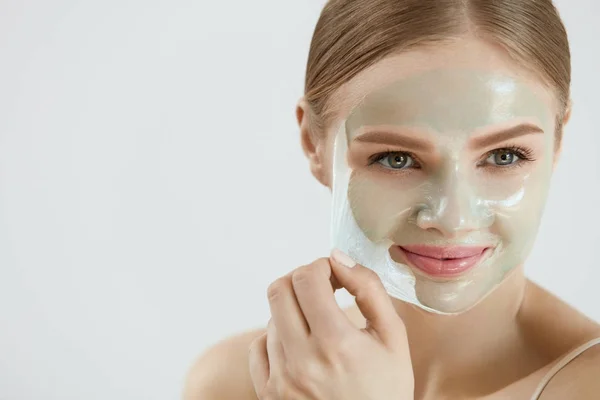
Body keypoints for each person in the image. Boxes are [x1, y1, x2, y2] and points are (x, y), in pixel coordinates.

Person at [183, 0, 600, 399]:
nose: (452, 219)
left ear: (558, 142)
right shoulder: (236, 384)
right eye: (397, 159)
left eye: (503, 156)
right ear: (314, 143)